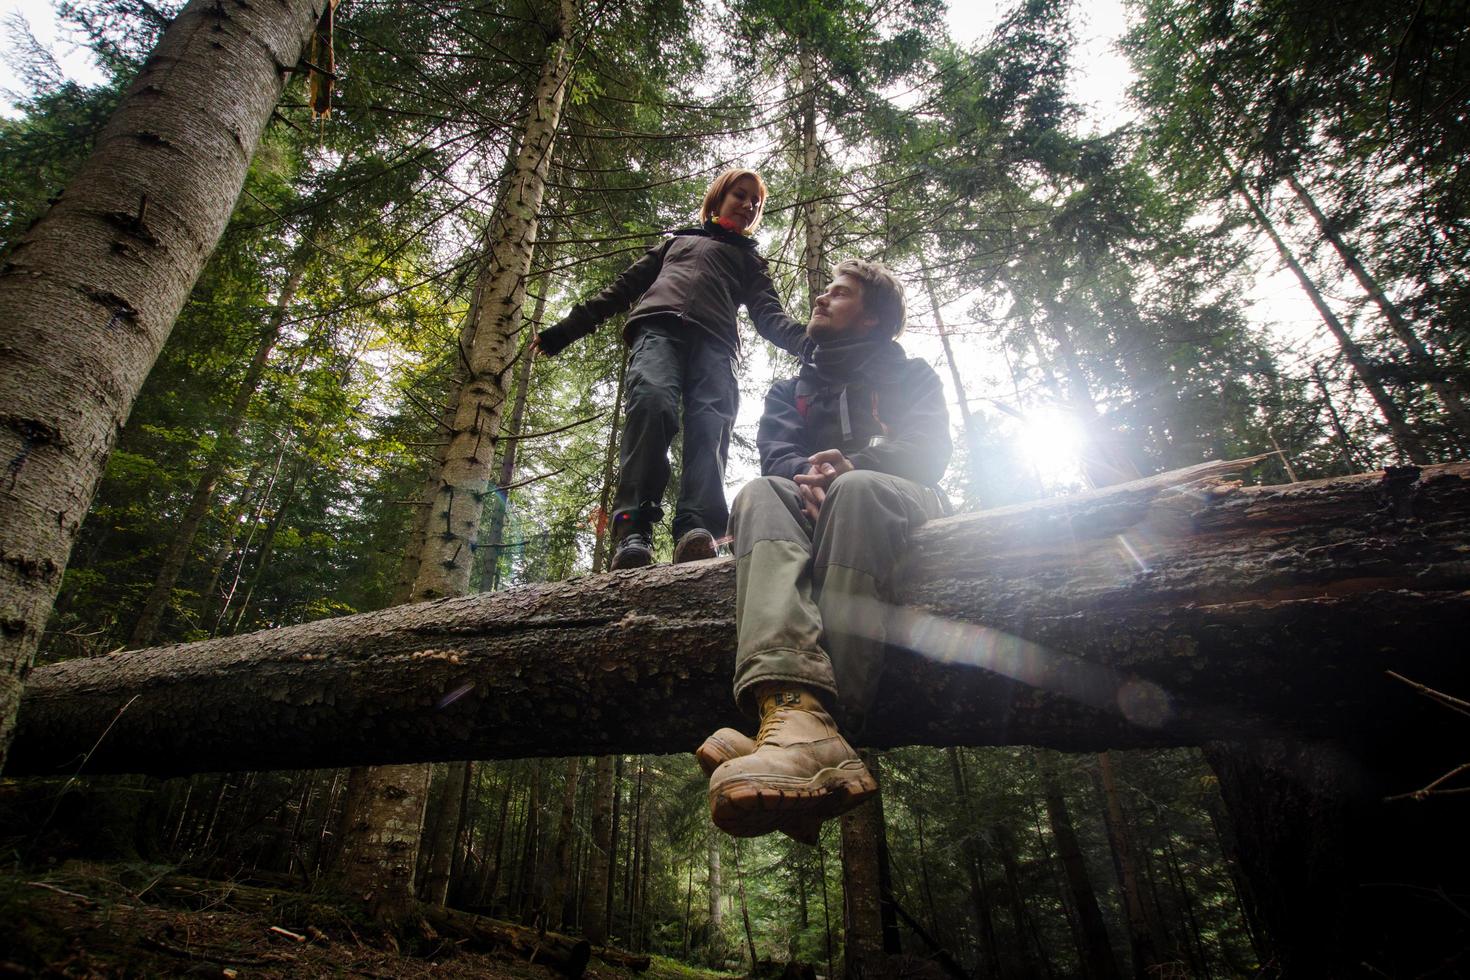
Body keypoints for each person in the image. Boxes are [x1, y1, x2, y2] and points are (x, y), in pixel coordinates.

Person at [694, 259, 952, 842]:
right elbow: (774, 455)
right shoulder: (791, 388)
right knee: (760, 493)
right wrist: (812, 478)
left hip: (899, 499)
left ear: (872, 319)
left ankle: (828, 728)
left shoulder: (911, 374)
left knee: (857, 491)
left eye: (839, 293)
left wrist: (854, 467)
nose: (821, 297)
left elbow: (930, 450)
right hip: (811, 501)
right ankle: (790, 709)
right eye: (825, 289)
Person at [533, 169, 805, 570]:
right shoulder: (677, 241)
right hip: (658, 330)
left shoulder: (750, 260)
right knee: (651, 402)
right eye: (741, 195)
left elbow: (769, 317)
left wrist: (808, 342)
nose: (749, 206)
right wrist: (565, 331)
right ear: (719, 197)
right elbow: (623, 289)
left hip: (716, 344)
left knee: (710, 425)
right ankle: (633, 531)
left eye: (756, 203)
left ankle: (699, 530)